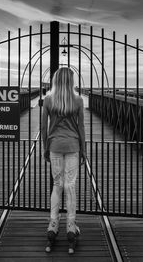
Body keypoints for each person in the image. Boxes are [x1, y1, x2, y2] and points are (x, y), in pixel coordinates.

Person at [41, 67, 86, 254]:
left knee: (57, 185)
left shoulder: (48, 99)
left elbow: (44, 127)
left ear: (56, 80)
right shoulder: (78, 100)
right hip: (73, 145)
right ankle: (70, 225)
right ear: (71, 81)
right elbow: (81, 126)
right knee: (70, 185)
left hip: (55, 146)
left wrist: (46, 147)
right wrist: (84, 149)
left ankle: (53, 225)